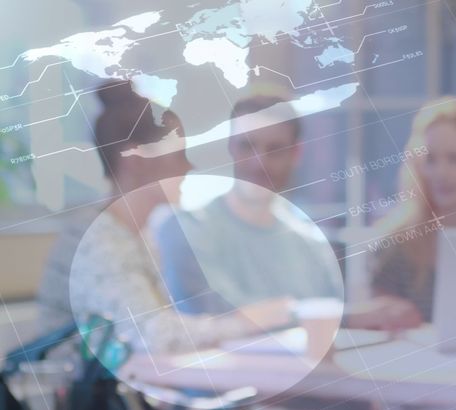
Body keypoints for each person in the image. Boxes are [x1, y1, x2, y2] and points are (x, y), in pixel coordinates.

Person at [37, 81, 292, 354]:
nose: (189, 166)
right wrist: (243, 324)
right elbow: (153, 335)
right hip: (75, 392)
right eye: (178, 154)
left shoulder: (138, 234)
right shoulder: (98, 242)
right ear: (135, 159)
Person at [156, 95, 343, 315]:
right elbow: (218, 311)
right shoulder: (187, 230)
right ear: (231, 146)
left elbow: (332, 320)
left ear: (295, 153)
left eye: (275, 149)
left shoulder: (311, 244)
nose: (259, 163)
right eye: (247, 145)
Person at [351, 98, 456, 331]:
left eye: (455, 159)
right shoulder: (396, 244)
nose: (440, 173)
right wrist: (380, 314)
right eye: (430, 160)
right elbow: (373, 326)